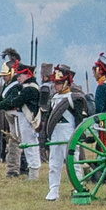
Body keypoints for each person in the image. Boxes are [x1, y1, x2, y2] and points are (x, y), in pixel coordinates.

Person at [38, 64, 90, 202]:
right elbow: (48, 119)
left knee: (74, 164)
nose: (56, 85)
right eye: (55, 82)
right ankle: (53, 190)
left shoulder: (74, 99)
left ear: (66, 82)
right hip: (55, 135)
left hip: (69, 135)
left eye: (59, 83)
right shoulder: (54, 99)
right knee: (54, 165)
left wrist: (79, 135)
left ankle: (79, 188)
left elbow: (79, 119)